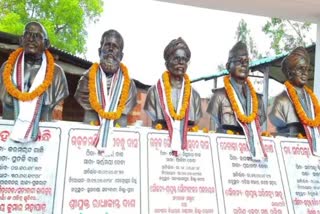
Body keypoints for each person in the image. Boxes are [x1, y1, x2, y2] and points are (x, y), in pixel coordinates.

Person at [0, 21, 69, 142]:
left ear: (46, 44)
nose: (31, 39)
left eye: (37, 36)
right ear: (21, 40)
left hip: (42, 140)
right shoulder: (6, 69)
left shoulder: (57, 73)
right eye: (28, 34)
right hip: (7, 136)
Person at [74, 29, 137, 148]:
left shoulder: (130, 86)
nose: (111, 50)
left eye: (115, 47)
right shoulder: (85, 81)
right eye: (107, 45)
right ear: (99, 51)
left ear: (121, 55)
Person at [206, 41, 266, 159]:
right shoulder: (218, 96)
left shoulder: (258, 99)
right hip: (227, 153)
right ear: (228, 66)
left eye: (246, 62)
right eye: (239, 61)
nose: (244, 65)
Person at [144, 37, 202, 155]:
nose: (181, 63)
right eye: (176, 59)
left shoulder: (195, 96)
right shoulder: (154, 92)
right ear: (167, 63)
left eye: (184, 60)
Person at [269, 47, 320, 156]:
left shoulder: (312, 100)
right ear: (290, 73)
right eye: (300, 69)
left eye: (307, 69)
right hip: (291, 152)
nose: (305, 73)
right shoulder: (281, 100)